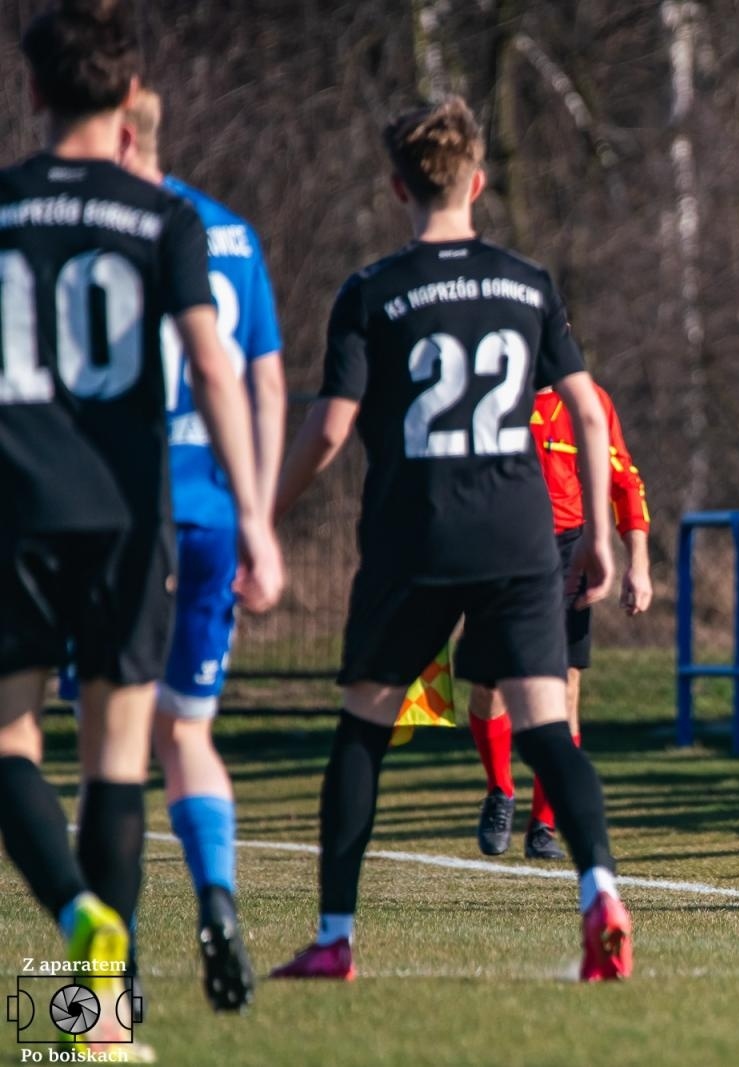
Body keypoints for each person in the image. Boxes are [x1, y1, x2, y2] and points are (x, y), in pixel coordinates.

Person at [269, 96, 634, 982]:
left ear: (398, 184)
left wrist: (260, 515)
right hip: (519, 536)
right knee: (550, 728)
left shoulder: (371, 292)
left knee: (362, 729)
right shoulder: (527, 283)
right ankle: (600, 895)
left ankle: (334, 937)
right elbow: (587, 412)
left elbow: (325, 431)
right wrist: (598, 535)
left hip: (415, 535)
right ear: (478, 181)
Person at [0, 0, 282, 1053]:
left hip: (16, 511)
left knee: (10, 741)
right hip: (131, 517)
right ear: (128, 101)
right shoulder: (166, 219)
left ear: (32, 91)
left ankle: (79, 919)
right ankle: (97, 1030)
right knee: (117, 765)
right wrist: (255, 514)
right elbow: (217, 366)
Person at [118, 86, 285, 1010]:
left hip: (117, 514)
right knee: (188, 730)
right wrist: (257, 511)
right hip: (217, 512)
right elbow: (262, 386)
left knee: (111, 743)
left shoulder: (98, 226)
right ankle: (215, 900)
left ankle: (107, 977)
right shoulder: (229, 231)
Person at [469, 381, 652, 860]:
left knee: (565, 681)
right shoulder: (493, 388)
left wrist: (638, 562)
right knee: (490, 682)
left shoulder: (589, 400)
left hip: (569, 548)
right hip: (500, 545)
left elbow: (624, 480)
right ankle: (499, 791)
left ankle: (544, 825)